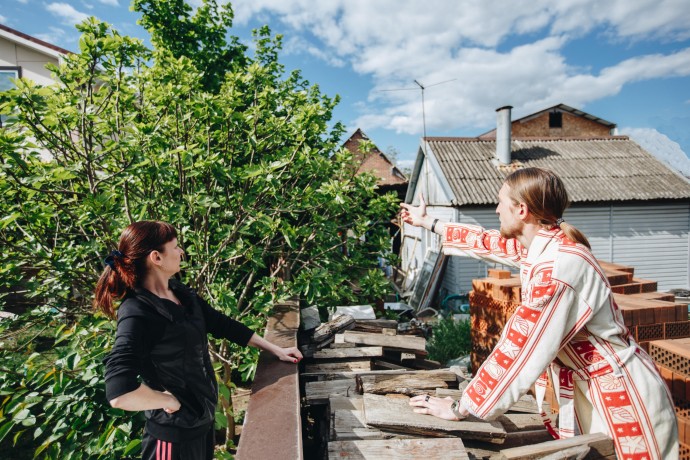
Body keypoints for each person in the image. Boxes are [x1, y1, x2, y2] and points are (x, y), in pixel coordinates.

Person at [402, 167, 678, 459]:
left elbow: (521, 346)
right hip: (598, 390)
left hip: (623, 399)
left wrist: (463, 407)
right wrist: (428, 222)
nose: (496, 210)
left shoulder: (557, 268)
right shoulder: (546, 247)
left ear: (521, 209)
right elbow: (490, 242)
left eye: (500, 202)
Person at [95, 221, 302, 460]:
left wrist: (275, 349)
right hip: (172, 439)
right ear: (156, 258)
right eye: (175, 247)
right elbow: (119, 391)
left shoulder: (180, 294)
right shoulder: (137, 312)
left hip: (202, 427)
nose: (181, 252)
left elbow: (223, 325)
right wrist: (167, 400)